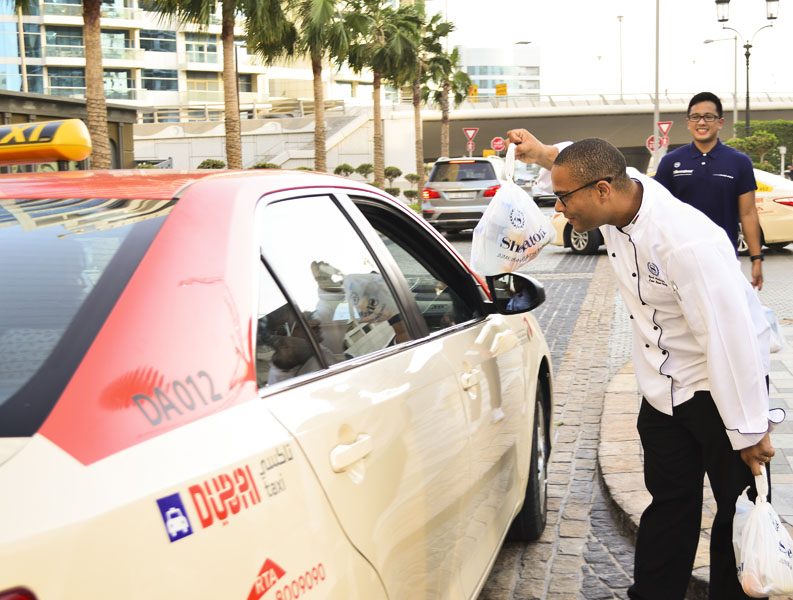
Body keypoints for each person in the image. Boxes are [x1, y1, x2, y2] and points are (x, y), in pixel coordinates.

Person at [506, 129, 783, 600]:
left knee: (737, 510)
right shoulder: (617, 194)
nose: (559, 207)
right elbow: (587, 159)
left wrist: (751, 431)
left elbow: (730, 339)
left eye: (563, 197)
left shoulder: (684, 242)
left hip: (721, 387)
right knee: (670, 504)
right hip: (662, 390)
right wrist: (542, 153)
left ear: (602, 191)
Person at [655, 91, 764, 290]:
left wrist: (757, 259)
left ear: (720, 122)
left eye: (708, 117)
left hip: (724, 258)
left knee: (725, 309)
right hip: (680, 260)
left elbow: (748, 213)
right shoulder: (670, 162)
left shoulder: (739, 162)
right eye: (695, 117)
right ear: (688, 122)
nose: (701, 122)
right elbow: (658, 213)